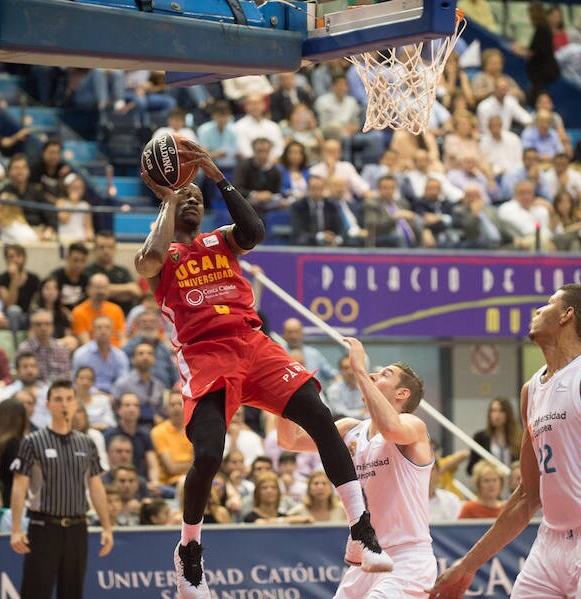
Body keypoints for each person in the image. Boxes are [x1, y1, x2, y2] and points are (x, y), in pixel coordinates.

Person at [135, 139, 391, 597]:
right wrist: (171, 199)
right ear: (169, 208)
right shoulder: (162, 258)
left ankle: (361, 529)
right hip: (205, 353)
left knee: (319, 415)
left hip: (253, 344)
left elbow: (252, 231)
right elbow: (148, 259)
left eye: (197, 197)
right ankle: (189, 549)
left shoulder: (222, 241)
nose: (192, 200)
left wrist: (214, 175)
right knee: (210, 454)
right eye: (183, 198)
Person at [429, 284, 581, 599]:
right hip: (552, 539)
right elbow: (526, 497)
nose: (536, 311)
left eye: (547, 304)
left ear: (567, 315)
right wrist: (468, 565)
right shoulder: (530, 390)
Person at [279, 336, 433, 598]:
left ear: (402, 394)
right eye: (372, 372)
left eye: (385, 374)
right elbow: (290, 440)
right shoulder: (350, 429)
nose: (373, 375)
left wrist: (359, 370)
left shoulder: (413, 426)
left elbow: (390, 428)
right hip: (367, 559)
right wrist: (282, 393)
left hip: (407, 557)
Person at [10, 380, 114, 599]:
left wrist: (107, 527)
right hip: (43, 527)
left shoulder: (87, 443)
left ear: (76, 404)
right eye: (58, 399)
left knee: (73, 593)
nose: (64, 404)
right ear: (48, 405)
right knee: (36, 592)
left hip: (77, 528)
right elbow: (19, 486)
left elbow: (95, 486)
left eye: (68, 399)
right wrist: (16, 528)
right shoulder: (32, 441)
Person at [83, 231, 142, 315]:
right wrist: (126, 289)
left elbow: (136, 291)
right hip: (95, 316)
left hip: (123, 316)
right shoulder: (88, 271)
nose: (106, 251)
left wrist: (104, 291)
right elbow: (90, 292)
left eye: (110, 247)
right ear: (95, 248)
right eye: (101, 247)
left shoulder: (123, 271)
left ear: (115, 248)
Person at [466, 397, 521, 475]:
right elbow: (470, 469)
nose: (497, 415)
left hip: (512, 484)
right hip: (490, 482)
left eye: (501, 411)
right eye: (493, 411)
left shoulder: (518, 437)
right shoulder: (480, 437)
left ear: (508, 414)